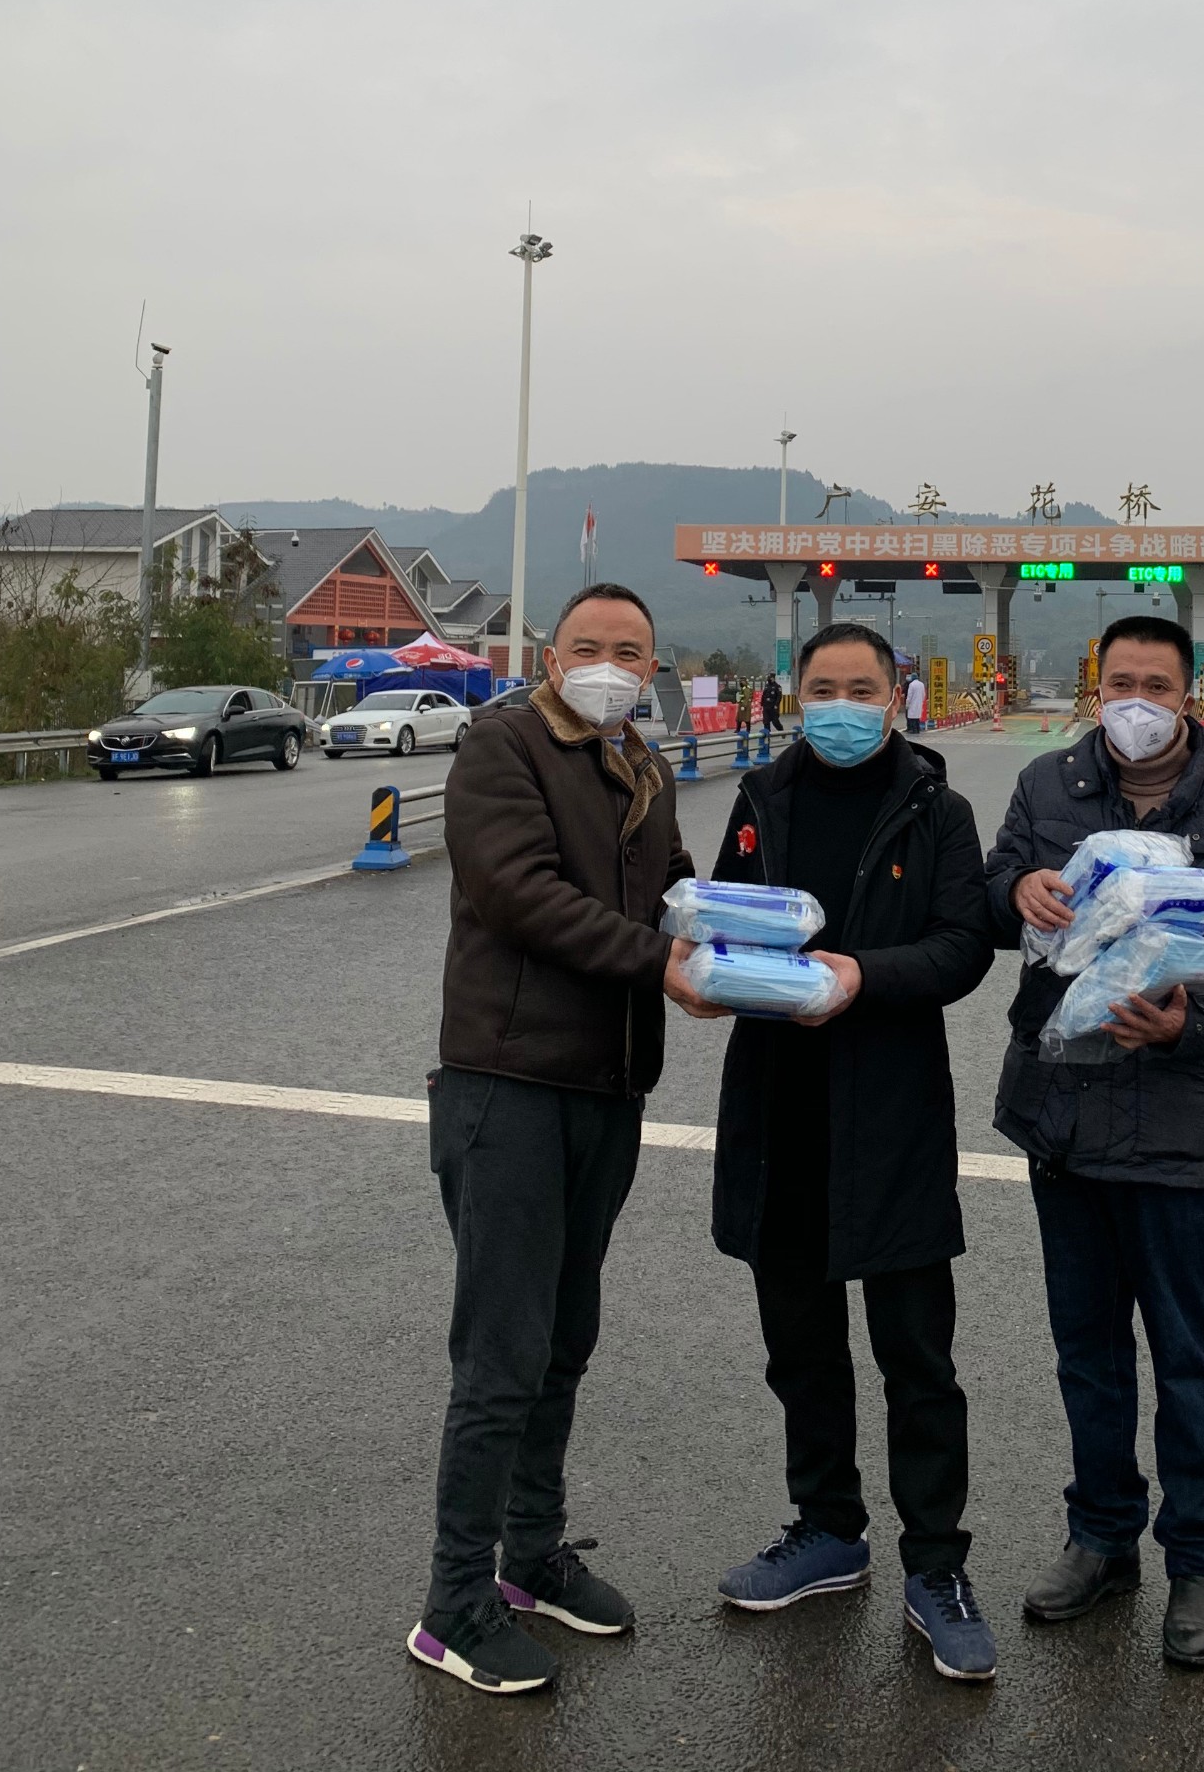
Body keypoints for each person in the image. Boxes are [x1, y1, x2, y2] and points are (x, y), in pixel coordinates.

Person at [409, 581, 720, 1695]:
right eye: (589, 646)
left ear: (652, 668)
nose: (608, 666)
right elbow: (519, 894)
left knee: (564, 1337)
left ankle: (531, 1554)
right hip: (509, 1082)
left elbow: (669, 892)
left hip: (606, 1086)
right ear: (550, 657)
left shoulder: (637, 761)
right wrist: (664, 963)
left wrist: (730, 934)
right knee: (501, 1353)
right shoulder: (503, 747)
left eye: (630, 653)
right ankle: (454, 1603)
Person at [983, 615, 1204, 1670]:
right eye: (1120, 682)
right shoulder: (1047, 786)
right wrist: (1014, 891)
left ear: (1187, 693)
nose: (1136, 703)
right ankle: (1101, 1537)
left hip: (1177, 1120)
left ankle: (1199, 1558)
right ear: (1096, 686)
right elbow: (991, 894)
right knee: (1087, 1350)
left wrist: (1186, 1025)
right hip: (1062, 1111)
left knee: (1186, 1353)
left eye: (1156, 685)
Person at [704, 620, 1000, 1681]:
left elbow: (962, 946)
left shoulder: (935, 808)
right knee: (800, 1347)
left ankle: (937, 1564)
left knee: (917, 1357)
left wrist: (862, 977)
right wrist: (708, 969)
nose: (839, 705)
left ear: (894, 696)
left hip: (891, 1112)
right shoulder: (760, 797)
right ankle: (827, 1527)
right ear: (794, 695)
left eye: (860, 688)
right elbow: (724, 917)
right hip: (778, 1107)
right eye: (821, 687)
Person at [905, 669, 928, 734]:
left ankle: (913, 730)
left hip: (912, 703)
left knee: (912, 718)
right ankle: (917, 729)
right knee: (917, 717)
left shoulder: (911, 685)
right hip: (919, 703)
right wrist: (921, 701)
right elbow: (923, 694)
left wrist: (907, 704)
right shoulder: (921, 684)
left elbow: (909, 695)